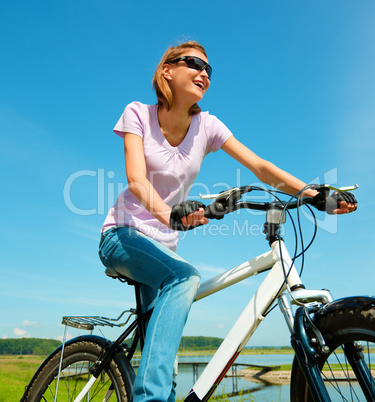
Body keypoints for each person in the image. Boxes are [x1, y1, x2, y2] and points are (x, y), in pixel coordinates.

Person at [99, 41, 357, 402]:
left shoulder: (208, 125)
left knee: (165, 364)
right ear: (167, 70)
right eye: (193, 63)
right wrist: (171, 214)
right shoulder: (138, 114)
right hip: (122, 236)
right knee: (185, 276)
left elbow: (261, 167)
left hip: (163, 247)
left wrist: (314, 194)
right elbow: (137, 180)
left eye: (209, 69)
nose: (204, 72)